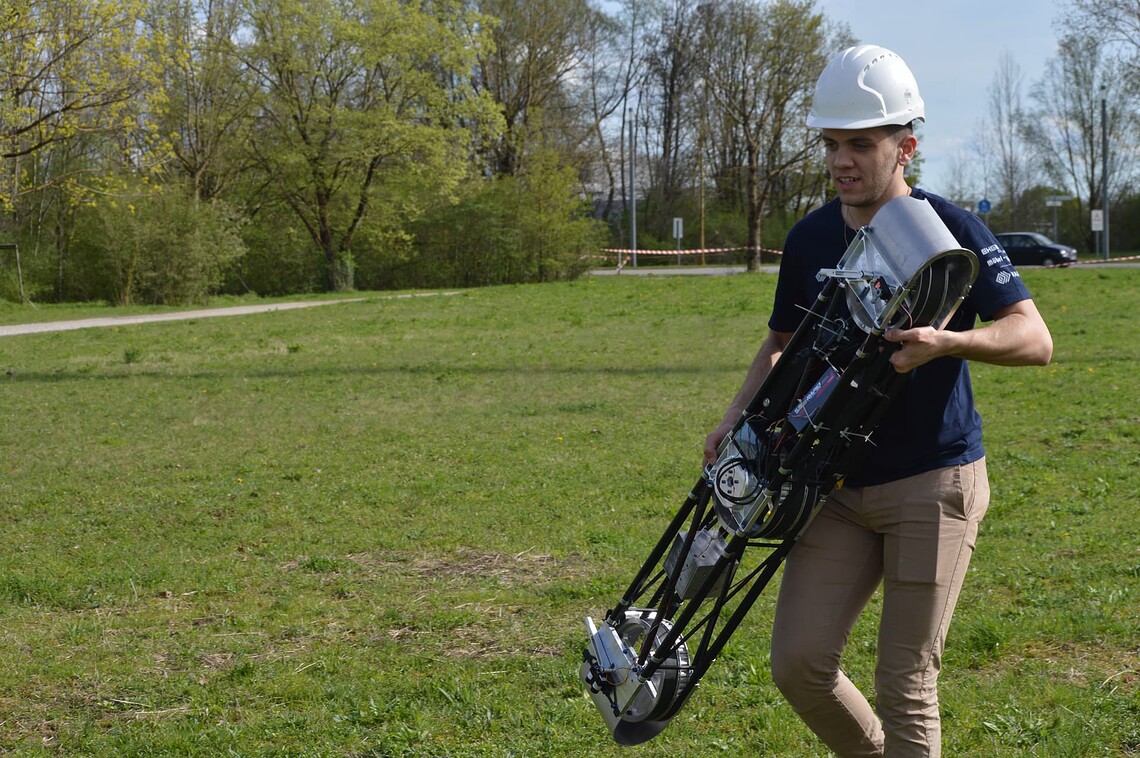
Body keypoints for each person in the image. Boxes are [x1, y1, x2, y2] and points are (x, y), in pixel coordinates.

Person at [702, 45, 1053, 757]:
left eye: (861, 143)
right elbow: (780, 343)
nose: (842, 160)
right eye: (831, 143)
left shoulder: (949, 226)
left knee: (906, 682)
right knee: (799, 664)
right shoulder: (810, 237)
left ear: (906, 147)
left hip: (934, 481)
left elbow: (1032, 337)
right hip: (833, 483)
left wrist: (948, 343)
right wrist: (738, 414)